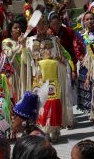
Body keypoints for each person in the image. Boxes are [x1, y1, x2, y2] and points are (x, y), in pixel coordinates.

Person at [24, 13, 74, 142]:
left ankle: (54, 130)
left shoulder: (54, 40)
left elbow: (63, 58)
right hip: (37, 78)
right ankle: (41, 130)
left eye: (44, 24)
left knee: (52, 103)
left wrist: (56, 61)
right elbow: (25, 61)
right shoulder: (29, 41)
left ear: (48, 25)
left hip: (52, 77)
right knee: (40, 103)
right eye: (38, 24)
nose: (41, 27)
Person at [2, 20, 26, 101]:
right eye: (15, 28)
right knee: (13, 96)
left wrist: (23, 44)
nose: (18, 29)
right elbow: (9, 55)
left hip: (23, 71)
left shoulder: (25, 41)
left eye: (19, 28)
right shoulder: (6, 41)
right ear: (10, 31)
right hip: (13, 73)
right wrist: (20, 44)